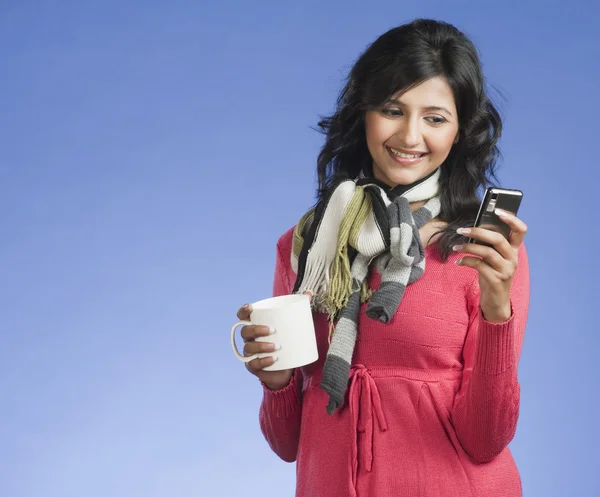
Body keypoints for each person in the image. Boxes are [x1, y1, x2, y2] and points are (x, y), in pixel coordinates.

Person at [236, 18, 529, 497]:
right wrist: (278, 381)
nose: (410, 137)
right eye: (392, 110)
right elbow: (287, 443)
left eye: (435, 118)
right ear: (364, 113)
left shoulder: (484, 250)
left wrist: (499, 311)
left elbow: (486, 440)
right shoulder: (308, 243)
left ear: (460, 131)